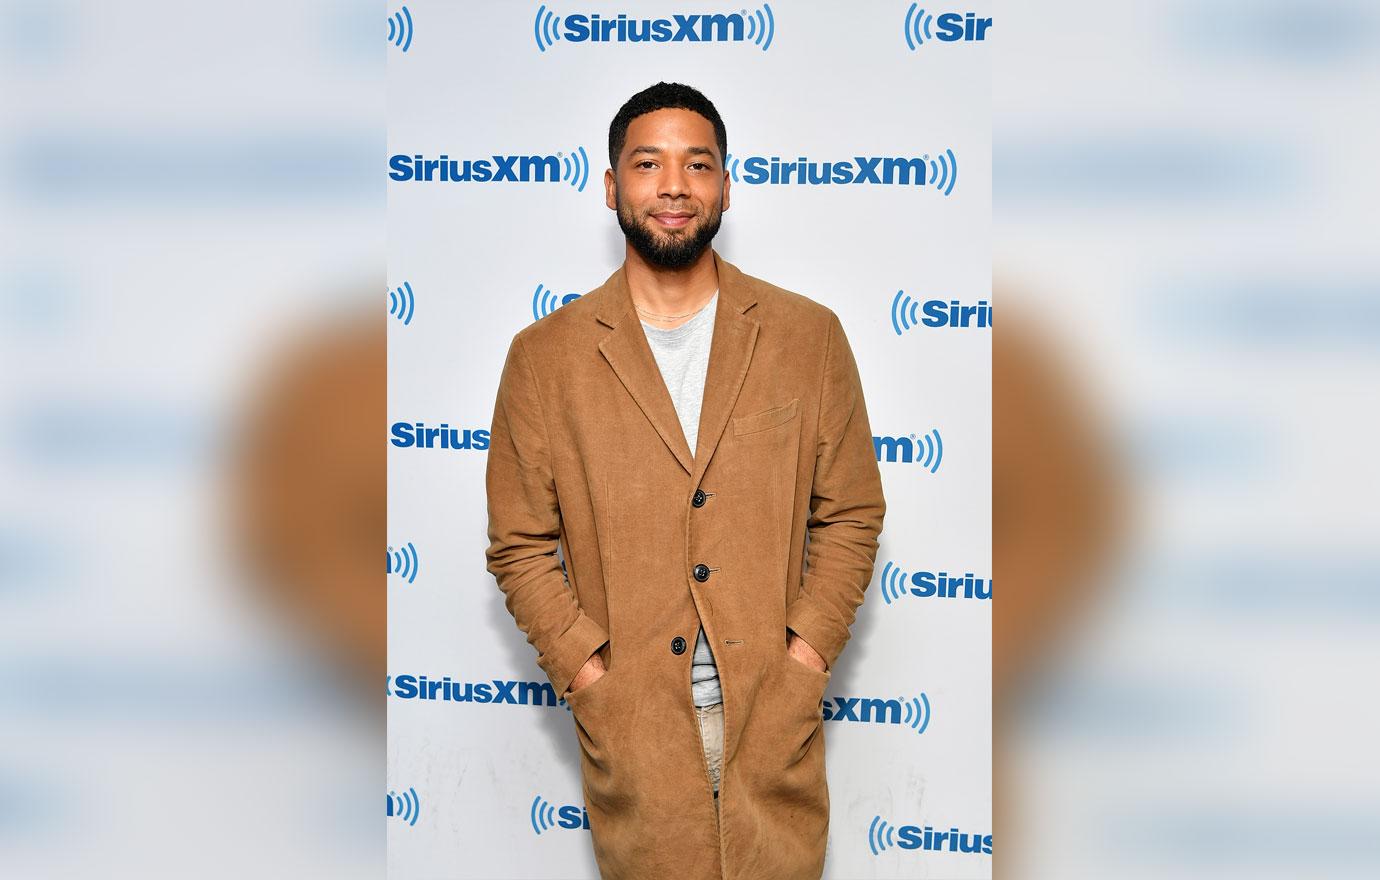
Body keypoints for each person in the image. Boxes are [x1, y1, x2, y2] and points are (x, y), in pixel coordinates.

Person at [484, 82, 886, 880]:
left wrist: (803, 658)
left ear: (725, 186)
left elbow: (849, 513)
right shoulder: (545, 358)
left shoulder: (808, 337)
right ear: (611, 186)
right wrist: (592, 676)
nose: (675, 185)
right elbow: (520, 545)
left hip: (772, 727)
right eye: (648, 163)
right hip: (635, 731)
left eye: (698, 164)